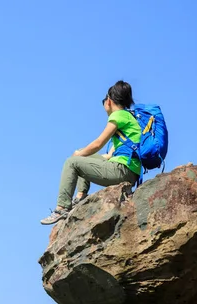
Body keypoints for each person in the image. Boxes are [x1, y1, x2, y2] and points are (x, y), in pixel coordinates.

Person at [40, 80, 141, 225]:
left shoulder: (117, 116)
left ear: (109, 101)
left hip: (122, 170)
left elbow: (98, 143)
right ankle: (81, 196)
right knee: (82, 152)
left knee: (72, 162)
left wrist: (77, 157)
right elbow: (109, 155)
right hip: (129, 169)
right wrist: (82, 154)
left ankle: (61, 208)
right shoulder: (129, 116)